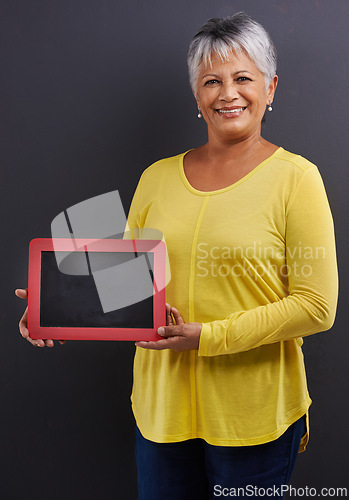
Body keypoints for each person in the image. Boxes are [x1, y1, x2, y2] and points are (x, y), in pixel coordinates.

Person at [16, 12, 338, 500]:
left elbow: (317, 306)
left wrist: (206, 338)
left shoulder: (297, 179)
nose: (228, 93)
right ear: (197, 97)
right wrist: (53, 308)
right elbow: (126, 289)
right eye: (212, 81)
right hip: (163, 413)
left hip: (252, 416)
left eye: (243, 78)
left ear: (270, 88)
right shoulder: (157, 178)